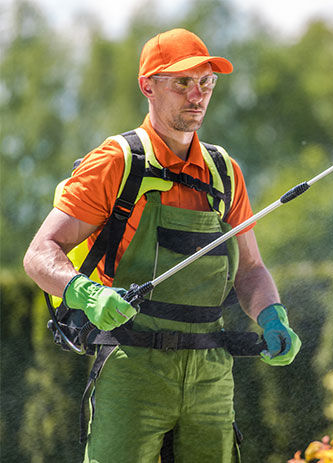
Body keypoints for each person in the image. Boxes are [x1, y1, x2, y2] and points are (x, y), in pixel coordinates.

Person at [23, 28, 301, 462]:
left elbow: (250, 269)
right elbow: (40, 253)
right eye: (183, 83)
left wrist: (272, 314)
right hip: (133, 368)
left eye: (206, 82)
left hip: (211, 373)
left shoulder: (224, 172)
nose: (198, 95)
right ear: (148, 86)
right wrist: (88, 293)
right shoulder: (117, 163)